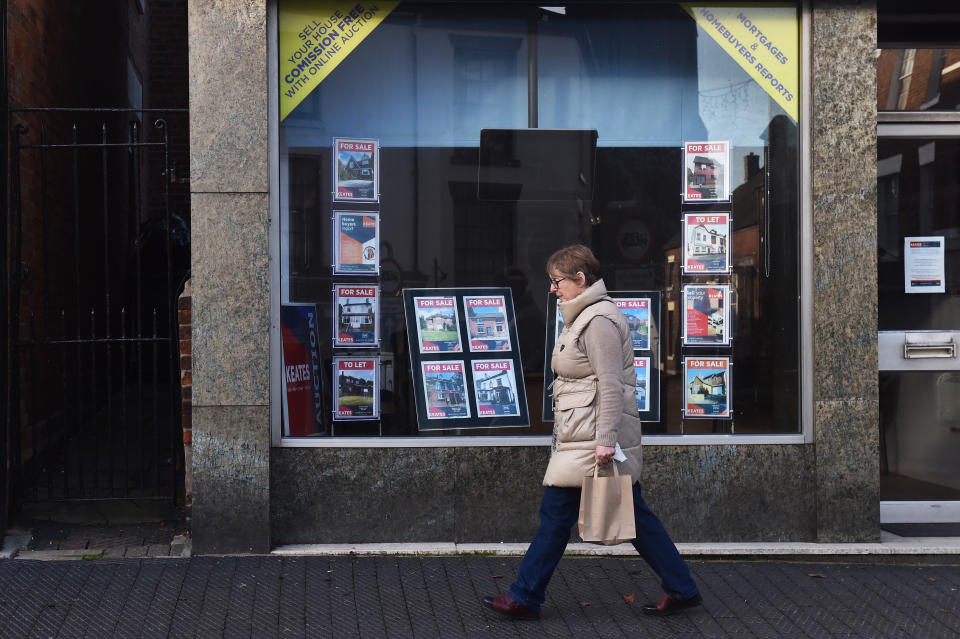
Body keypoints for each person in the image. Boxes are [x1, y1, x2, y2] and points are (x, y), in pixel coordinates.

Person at [483, 245, 701, 620]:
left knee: (556, 515)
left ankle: (525, 596)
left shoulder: (598, 320)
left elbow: (611, 385)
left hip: (590, 441)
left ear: (580, 280)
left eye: (557, 282)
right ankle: (682, 589)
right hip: (580, 436)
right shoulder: (582, 317)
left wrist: (605, 441)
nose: (552, 289)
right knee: (634, 519)